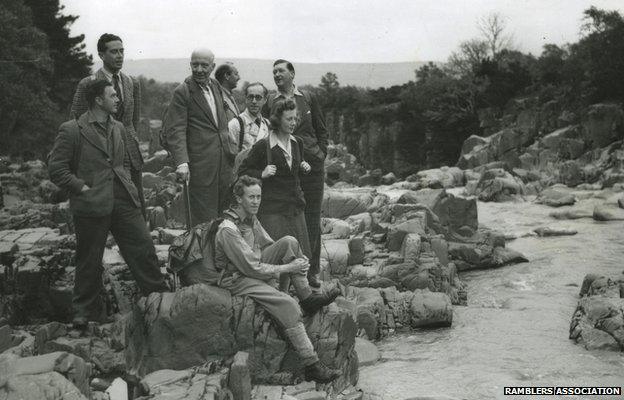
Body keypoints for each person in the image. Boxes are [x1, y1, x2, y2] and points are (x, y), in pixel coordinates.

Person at [49, 79, 168, 328]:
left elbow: (121, 162)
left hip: (123, 199)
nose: (118, 99)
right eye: (112, 96)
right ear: (98, 100)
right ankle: (84, 312)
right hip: (91, 203)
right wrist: (80, 186)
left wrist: (128, 183)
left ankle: (160, 299)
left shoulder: (118, 127)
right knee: (89, 259)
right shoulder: (72, 130)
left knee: (143, 247)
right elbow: (56, 169)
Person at [215, 175, 341, 383]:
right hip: (235, 278)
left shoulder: (250, 217)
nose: (256, 201)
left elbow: (269, 245)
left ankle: (307, 297)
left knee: (289, 242)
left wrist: (299, 263)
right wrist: (288, 267)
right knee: (288, 304)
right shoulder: (228, 229)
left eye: (258, 197)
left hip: (250, 268)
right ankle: (311, 364)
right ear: (238, 199)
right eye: (251, 197)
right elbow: (252, 268)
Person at [263, 59, 328, 288]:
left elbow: (321, 128)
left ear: (292, 73)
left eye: (281, 71)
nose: (277, 75)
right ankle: (290, 275)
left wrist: (320, 153)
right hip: (286, 168)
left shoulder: (307, 97)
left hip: (312, 165)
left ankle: (312, 271)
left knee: (311, 217)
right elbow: (266, 130)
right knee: (290, 218)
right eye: (274, 72)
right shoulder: (270, 100)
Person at [239, 99, 315, 289]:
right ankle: (280, 294)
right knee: (279, 256)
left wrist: (303, 166)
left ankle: (288, 292)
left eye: (295, 119)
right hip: (273, 211)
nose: (293, 123)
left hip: (295, 208)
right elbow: (242, 173)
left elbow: (293, 170)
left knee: (297, 254)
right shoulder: (263, 146)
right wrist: (261, 174)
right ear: (277, 120)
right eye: (289, 119)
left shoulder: (297, 143)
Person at [70, 33, 145, 218]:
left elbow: (132, 121)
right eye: (113, 52)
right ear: (102, 55)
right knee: (103, 209)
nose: (119, 56)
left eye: (122, 51)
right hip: (101, 154)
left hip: (129, 152)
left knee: (134, 205)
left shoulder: (131, 82)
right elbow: (77, 120)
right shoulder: (88, 84)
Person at [162, 48, 231, 225]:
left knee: (224, 215)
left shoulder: (216, 86)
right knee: (203, 219)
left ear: (213, 66)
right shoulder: (182, 92)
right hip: (200, 167)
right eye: (195, 65)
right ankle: (201, 252)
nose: (199, 69)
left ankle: (220, 251)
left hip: (223, 164)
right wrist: (182, 163)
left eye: (204, 65)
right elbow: (175, 130)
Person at [227, 82, 270, 155]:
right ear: (246, 99)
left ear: (265, 100)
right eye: (250, 97)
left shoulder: (268, 124)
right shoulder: (235, 124)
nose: (254, 101)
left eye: (258, 97)